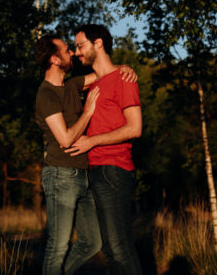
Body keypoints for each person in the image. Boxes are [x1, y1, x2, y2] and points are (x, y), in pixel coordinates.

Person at [35, 34, 136, 275]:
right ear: (54, 59)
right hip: (60, 176)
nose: (72, 53)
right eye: (66, 50)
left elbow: (104, 73)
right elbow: (66, 139)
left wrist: (125, 68)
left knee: (93, 241)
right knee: (57, 246)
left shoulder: (71, 85)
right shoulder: (46, 95)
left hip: (82, 175)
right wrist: (88, 111)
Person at [67, 24, 143, 275]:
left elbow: (135, 128)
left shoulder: (124, 79)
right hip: (92, 171)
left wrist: (93, 141)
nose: (77, 52)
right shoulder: (92, 84)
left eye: (80, 45)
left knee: (119, 248)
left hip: (114, 170)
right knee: (109, 249)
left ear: (98, 43)